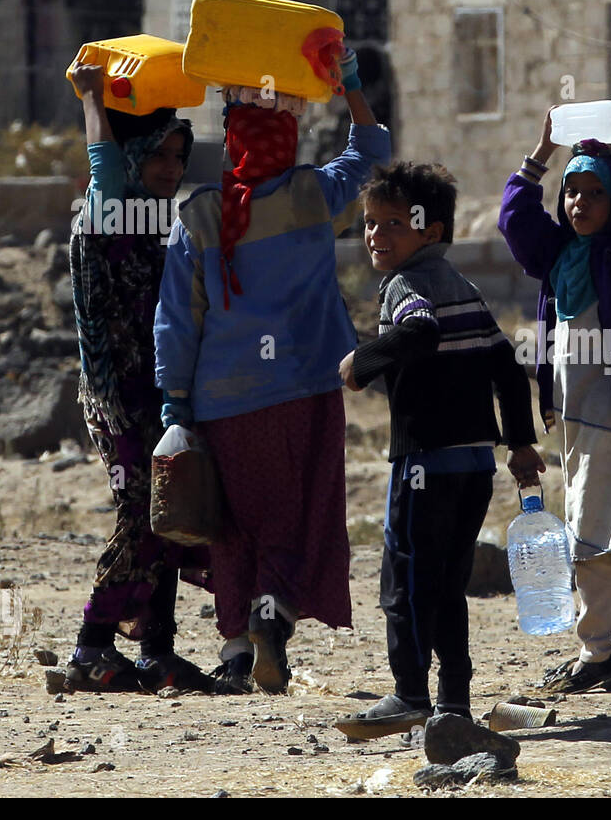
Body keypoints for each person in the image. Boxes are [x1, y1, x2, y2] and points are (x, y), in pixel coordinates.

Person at [154, 51, 389, 694]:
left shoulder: (197, 216)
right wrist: (352, 89)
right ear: (287, 139)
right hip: (304, 391)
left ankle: (234, 654)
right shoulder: (312, 195)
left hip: (220, 402)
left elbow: (176, 320)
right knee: (294, 514)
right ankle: (271, 619)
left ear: (231, 142)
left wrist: (175, 406)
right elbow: (373, 149)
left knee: (231, 526)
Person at [335, 161, 544, 737]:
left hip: (423, 464)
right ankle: (453, 701)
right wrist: (520, 444)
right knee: (449, 585)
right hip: (475, 465)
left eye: (394, 224)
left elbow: (420, 331)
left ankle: (408, 695)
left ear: (432, 232)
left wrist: (363, 361)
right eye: (371, 223)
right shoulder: (466, 287)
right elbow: (505, 362)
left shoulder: (408, 285)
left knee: (404, 581)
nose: (377, 235)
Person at [497, 107, 611, 694]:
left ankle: (597, 652)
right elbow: (515, 219)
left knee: (586, 537)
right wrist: (542, 151)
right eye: (571, 192)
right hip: (574, 421)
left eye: (593, 193)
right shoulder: (558, 258)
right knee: (605, 541)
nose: (578, 203)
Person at [63, 63, 213, 694]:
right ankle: (91, 647)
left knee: (169, 510)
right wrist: (94, 99)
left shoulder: (153, 223)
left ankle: (157, 649)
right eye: (162, 158)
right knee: (138, 511)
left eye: (181, 158)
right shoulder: (107, 214)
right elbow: (104, 161)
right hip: (117, 399)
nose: (173, 170)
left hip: (154, 392)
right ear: (137, 156)